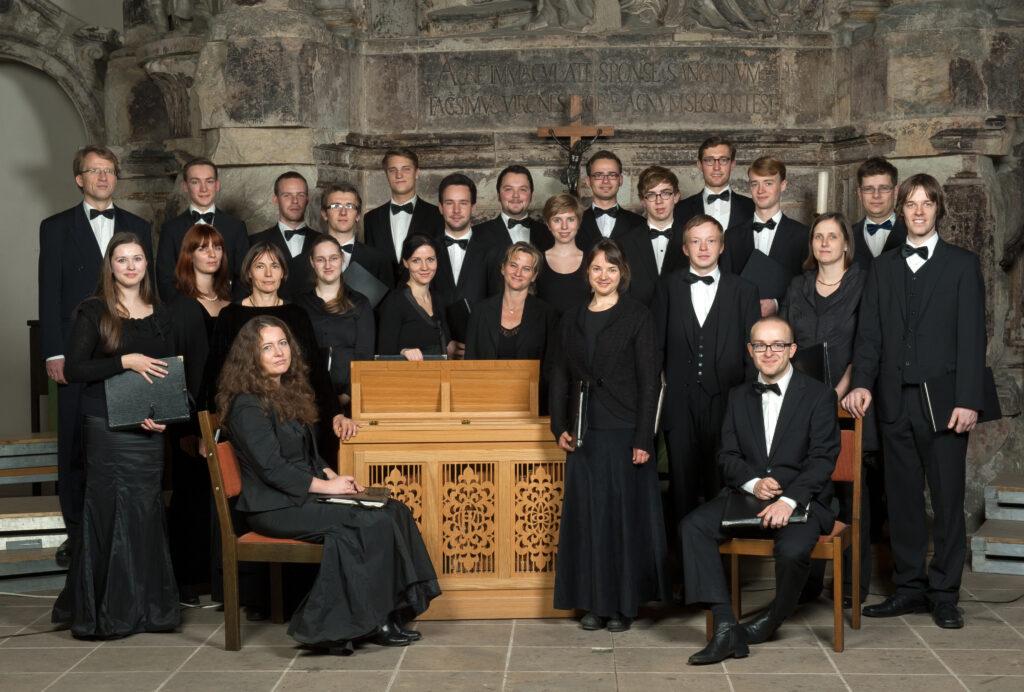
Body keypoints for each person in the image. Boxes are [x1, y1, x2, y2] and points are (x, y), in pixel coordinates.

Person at [217, 316, 440, 652]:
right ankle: (372, 621)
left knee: (393, 510)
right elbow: (273, 468)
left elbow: (306, 453)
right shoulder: (247, 404)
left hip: (302, 496)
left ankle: (391, 611)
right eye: (267, 347)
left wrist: (332, 476)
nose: (279, 352)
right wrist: (327, 489)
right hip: (274, 507)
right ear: (250, 356)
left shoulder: (286, 392)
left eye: (282, 343)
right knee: (371, 522)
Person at [843, 174, 987, 629]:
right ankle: (908, 587)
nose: (919, 211)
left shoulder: (962, 265)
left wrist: (969, 399)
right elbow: (869, 335)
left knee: (946, 501)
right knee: (902, 501)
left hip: (945, 404)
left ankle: (944, 593)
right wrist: (861, 383)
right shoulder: (882, 268)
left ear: (938, 209)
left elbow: (973, 338)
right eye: (911, 204)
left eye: (927, 203)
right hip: (893, 401)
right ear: (900, 210)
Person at [52, 232, 205, 639]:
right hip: (105, 426)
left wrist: (162, 416)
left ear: (146, 264)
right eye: (122, 259)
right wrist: (125, 361)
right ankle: (107, 610)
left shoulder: (161, 312)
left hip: (147, 429)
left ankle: (147, 609)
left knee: (145, 511)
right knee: (107, 511)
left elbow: (167, 371)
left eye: (137, 258)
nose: (131, 266)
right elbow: (75, 370)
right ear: (110, 266)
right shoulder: (94, 311)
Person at [682, 316, 840, 665]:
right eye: (760, 345)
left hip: (803, 500)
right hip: (748, 497)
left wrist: (788, 500)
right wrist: (753, 482)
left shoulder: (819, 395)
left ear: (792, 349)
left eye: (777, 345)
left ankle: (772, 620)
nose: (769, 352)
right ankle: (725, 624)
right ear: (750, 351)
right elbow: (726, 455)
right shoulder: (738, 396)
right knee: (693, 526)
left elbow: (822, 459)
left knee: (792, 550)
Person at [38, 145, 153, 567]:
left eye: (109, 171)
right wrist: (54, 351)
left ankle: (121, 533)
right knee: (73, 442)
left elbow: (150, 290)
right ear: (79, 179)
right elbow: (48, 290)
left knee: (123, 438)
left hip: (128, 348)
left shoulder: (139, 226)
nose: (103, 177)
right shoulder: (54, 227)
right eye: (94, 171)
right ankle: (77, 535)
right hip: (75, 350)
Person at [548, 239, 670, 633]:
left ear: (622, 274)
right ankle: (593, 603)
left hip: (625, 431)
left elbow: (650, 382)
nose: (604, 275)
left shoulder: (638, 316)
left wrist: (643, 438)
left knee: (621, 520)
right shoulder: (571, 317)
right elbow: (559, 374)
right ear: (587, 272)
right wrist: (559, 426)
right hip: (584, 431)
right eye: (597, 268)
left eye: (612, 269)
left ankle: (621, 605)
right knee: (589, 520)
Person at [780, 212, 869, 607]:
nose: (825, 243)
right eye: (818, 236)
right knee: (809, 489)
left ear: (846, 243)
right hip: (802, 402)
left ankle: (851, 584)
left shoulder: (862, 283)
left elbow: (866, 341)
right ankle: (807, 583)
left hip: (847, 402)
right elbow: (785, 340)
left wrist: (839, 391)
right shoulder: (797, 286)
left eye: (833, 236)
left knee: (850, 494)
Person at [652, 214, 759, 531]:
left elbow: (752, 354)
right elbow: (655, 349)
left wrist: (747, 408)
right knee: (681, 487)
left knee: (723, 483)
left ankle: (722, 557)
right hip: (679, 405)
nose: (703, 248)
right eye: (695, 241)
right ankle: (683, 559)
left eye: (710, 241)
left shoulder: (744, 290)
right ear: (684, 249)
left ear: (721, 246)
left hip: (727, 403)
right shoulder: (667, 286)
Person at [165, 222, 233, 606]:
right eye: (202, 248)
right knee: (191, 498)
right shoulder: (179, 308)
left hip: (229, 416)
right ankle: (188, 582)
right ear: (188, 256)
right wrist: (187, 432)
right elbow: (175, 374)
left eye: (217, 247)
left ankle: (222, 581)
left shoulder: (232, 303)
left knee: (225, 499)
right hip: (192, 421)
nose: (211, 254)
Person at [721, 156, 809, 317]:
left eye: (768, 183)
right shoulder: (732, 236)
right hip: (740, 322)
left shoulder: (802, 235)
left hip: (785, 324)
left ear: (783, 185)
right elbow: (725, 284)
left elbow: (808, 286)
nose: (760, 191)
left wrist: (777, 304)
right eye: (755, 184)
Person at [296, 234, 375, 402]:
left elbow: (365, 355)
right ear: (312, 262)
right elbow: (296, 354)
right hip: (307, 397)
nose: (328, 265)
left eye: (333, 258)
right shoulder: (300, 305)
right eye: (320, 260)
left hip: (350, 397)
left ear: (342, 259)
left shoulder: (360, 303)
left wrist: (348, 395)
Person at [156, 157, 249, 300]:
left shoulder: (236, 227)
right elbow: (165, 280)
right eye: (195, 182)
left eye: (209, 181)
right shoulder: (170, 229)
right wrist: (186, 309)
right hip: (184, 310)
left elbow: (243, 277)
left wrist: (230, 309)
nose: (203, 189)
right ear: (185, 186)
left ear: (217, 185)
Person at [432, 173, 502, 351]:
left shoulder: (493, 250)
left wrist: (476, 344)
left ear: (473, 207)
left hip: (479, 348)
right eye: (449, 203)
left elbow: (497, 304)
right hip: (437, 348)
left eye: (463, 203)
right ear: (440, 207)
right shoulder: (426, 250)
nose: (456, 210)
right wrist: (444, 342)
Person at [363, 148, 444, 281]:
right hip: (383, 294)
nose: (399, 175)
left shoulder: (437, 216)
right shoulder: (371, 219)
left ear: (416, 173)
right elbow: (371, 267)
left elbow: (441, 265)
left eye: (406, 169)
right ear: (386, 174)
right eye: (392, 170)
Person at [377, 235, 456, 359]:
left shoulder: (439, 299)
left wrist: (452, 347)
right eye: (416, 261)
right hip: (408, 372)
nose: (425, 267)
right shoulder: (394, 301)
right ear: (405, 263)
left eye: (430, 259)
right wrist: (403, 352)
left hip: (440, 371)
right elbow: (384, 354)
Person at [619, 165, 687, 307]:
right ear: (642, 201)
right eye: (651, 195)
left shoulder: (692, 239)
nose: (658, 201)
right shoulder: (625, 243)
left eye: (665, 193)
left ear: (676, 197)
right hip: (639, 318)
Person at [249, 171, 318, 300]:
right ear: (275, 199)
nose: (295, 201)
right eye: (287, 195)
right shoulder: (254, 242)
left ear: (307, 199)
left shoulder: (322, 242)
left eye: (301, 195)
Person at [319, 182, 394, 288]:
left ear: (358, 215)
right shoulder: (305, 260)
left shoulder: (379, 261)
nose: (343, 212)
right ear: (324, 214)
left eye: (350, 206)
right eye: (336, 206)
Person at [674, 135, 755, 232]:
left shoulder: (752, 207)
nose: (717, 167)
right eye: (709, 160)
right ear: (700, 165)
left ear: (732, 164)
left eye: (723, 160)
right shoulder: (681, 209)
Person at [575, 150, 645, 252]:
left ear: (620, 180)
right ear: (588, 181)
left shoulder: (640, 224)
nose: (605, 181)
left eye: (612, 175)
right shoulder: (574, 223)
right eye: (598, 175)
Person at [535, 194, 591, 317]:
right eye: (557, 220)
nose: (564, 226)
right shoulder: (537, 261)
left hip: (584, 328)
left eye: (570, 219)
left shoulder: (592, 261)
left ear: (579, 222)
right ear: (548, 224)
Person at [474, 165, 551, 251]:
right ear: (498, 195)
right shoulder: (476, 234)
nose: (515, 195)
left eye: (522, 189)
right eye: (508, 189)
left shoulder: (549, 233)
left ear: (531, 196)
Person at [851, 157, 907, 271]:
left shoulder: (913, 232)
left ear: (896, 192)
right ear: (860, 194)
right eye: (868, 189)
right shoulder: (846, 236)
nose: (876, 195)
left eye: (884, 188)